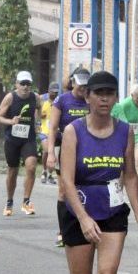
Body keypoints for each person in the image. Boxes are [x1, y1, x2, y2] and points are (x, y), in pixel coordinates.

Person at [56, 72, 138, 274]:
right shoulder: (73, 131)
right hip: (77, 206)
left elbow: (130, 175)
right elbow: (66, 181)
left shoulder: (124, 132)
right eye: (99, 93)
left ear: (116, 97)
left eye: (110, 93)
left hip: (113, 207)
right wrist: (82, 219)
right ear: (88, 96)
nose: (104, 98)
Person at [47, 69, 92, 246]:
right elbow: (52, 128)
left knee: (85, 188)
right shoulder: (62, 100)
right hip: (65, 149)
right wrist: (51, 153)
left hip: (88, 149)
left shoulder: (90, 100)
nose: (82, 88)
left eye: (86, 85)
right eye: (80, 84)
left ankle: (86, 224)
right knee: (65, 190)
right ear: (73, 82)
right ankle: (62, 231)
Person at [0, 70, 40, 216]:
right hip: (12, 139)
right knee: (12, 171)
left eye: (28, 84)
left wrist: (38, 122)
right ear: (17, 84)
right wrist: (11, 121)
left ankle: (26, 202)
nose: (25, 87)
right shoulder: (10, 97)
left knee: (31, 166)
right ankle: (9, 201)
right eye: (22, 84)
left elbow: (39, 110)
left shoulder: (36, 97)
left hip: (29, 138)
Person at [111, 83, 138, 205]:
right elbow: (120, 123)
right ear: (132, 95)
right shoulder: (124, 105)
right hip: (126, 136)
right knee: (124, 165)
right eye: (137, 98)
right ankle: (118, 193)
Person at [39, 82, 60, 184]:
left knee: (54, 154)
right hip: (44, 130)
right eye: (53, 92)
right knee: (47, 150)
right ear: (48, 91)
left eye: (56, 92)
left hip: (54, 131)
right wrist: (39, 116)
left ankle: (50, 174)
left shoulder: (58, 102)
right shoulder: (43, 101)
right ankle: (44, 171)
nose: (54, 94)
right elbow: (37, 113)